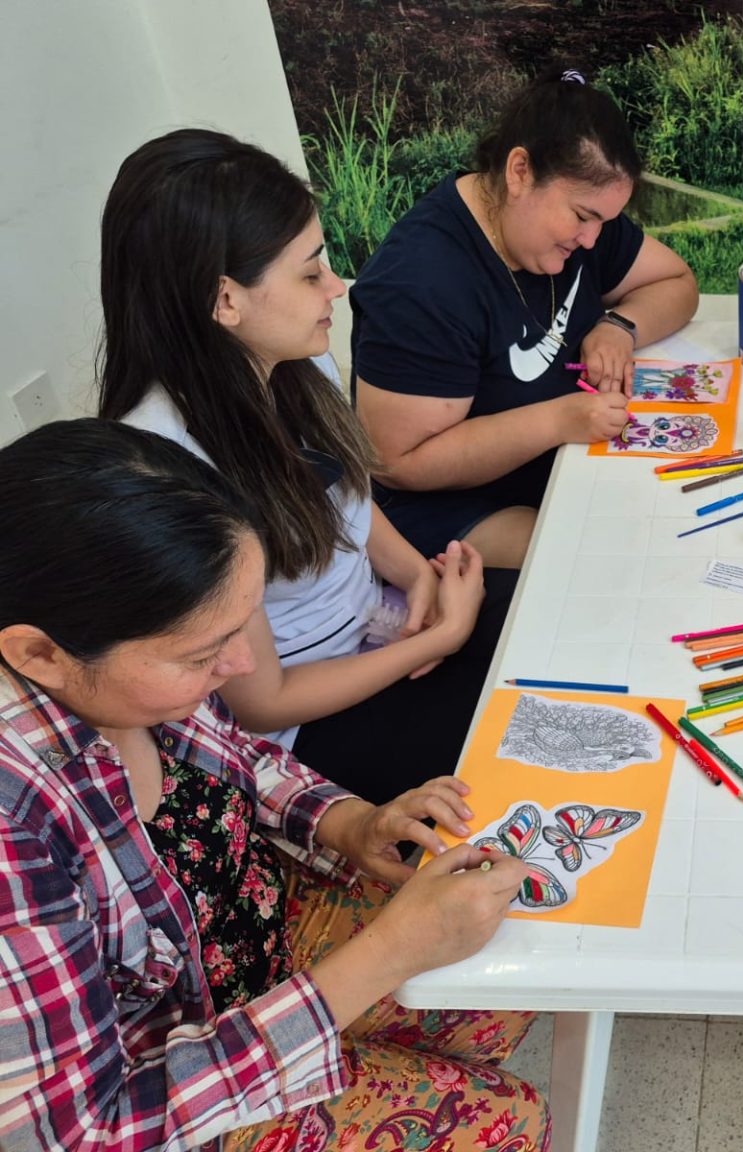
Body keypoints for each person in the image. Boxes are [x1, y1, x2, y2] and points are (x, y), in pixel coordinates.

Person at [0, 420, 544, 1152]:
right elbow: (81, 1129)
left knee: (500, 982)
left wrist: (352, 824)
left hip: (248, 947)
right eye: (201, 652)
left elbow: (243, 757)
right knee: (505, 1120)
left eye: (240, 627)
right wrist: (388, 953)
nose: (240, 666)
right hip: (159, 1077)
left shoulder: (134, 672)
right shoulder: (16, 827)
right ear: (38, 652)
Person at [98, 129, 513, 806]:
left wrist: (418, 577)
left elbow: (342, 497)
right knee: (522, 738)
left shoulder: (293, 353)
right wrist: (444, 633)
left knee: (550, 634)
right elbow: (265, 702)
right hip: (310, 721)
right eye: (310, 270)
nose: (337, 287)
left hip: (382, 626)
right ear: (225, 299)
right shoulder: (164, 465)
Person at [350, 69, 700, 568]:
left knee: (669, 525)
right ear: (520, 172)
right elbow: (398, 464)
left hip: (561, 462)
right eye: (583, 217)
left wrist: (619, 326)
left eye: (604, 221)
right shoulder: (421, 284)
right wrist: (559, 419)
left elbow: (678, 284)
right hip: (451, 506)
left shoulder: (580, 224)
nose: (592, 241)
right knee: (605, 558)